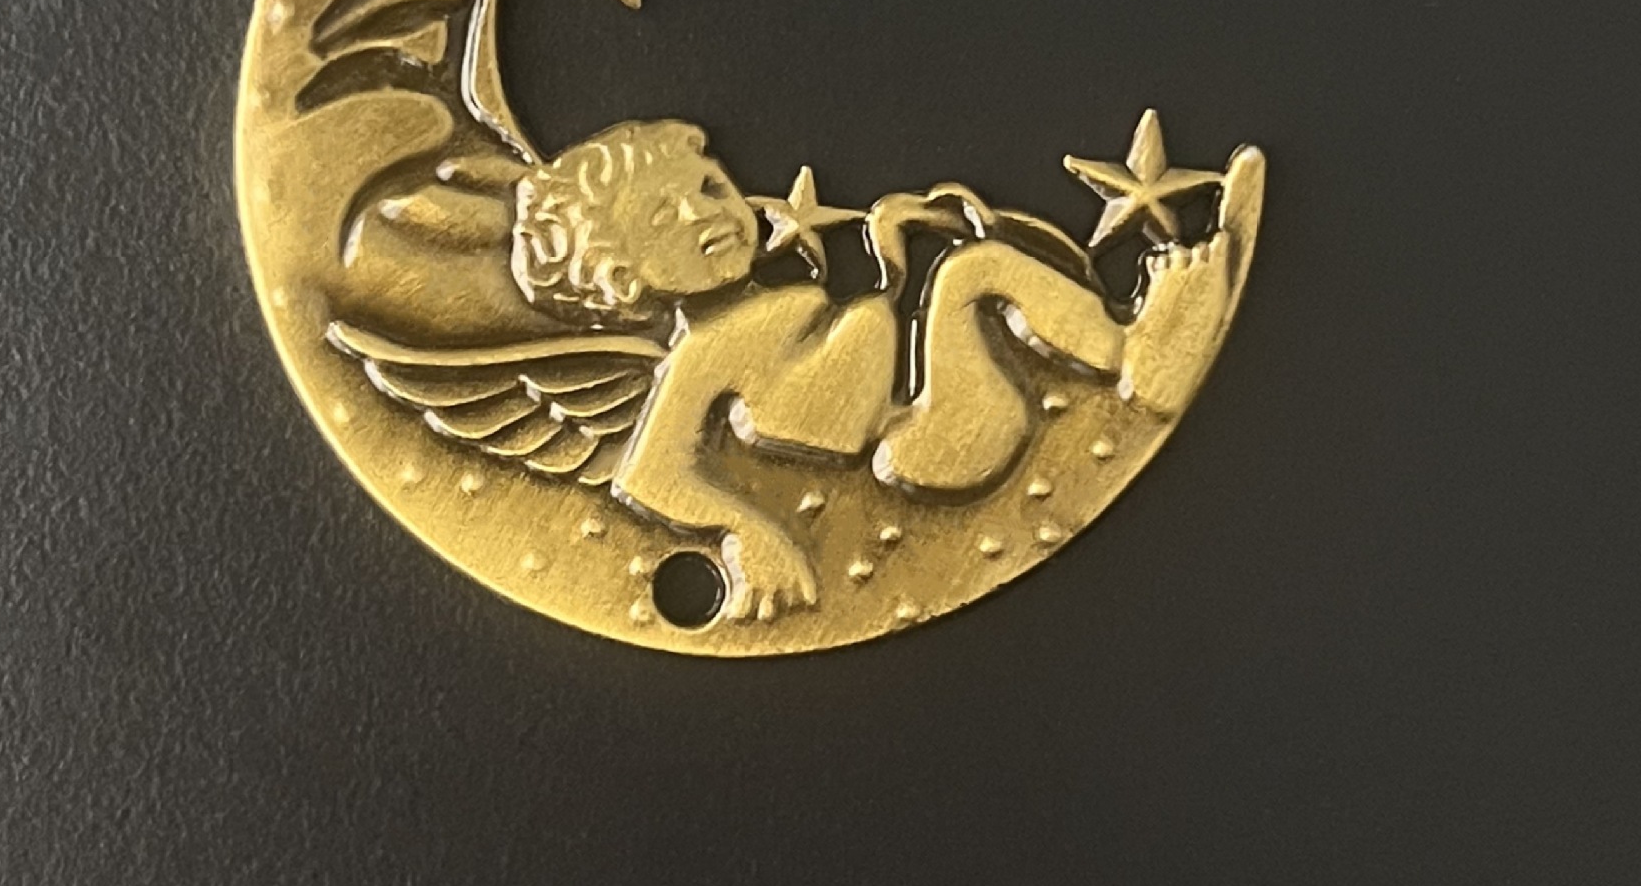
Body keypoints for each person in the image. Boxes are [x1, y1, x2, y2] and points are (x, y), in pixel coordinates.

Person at [342, 117, 1215, 619]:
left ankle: (1137, 350)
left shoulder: (780, 300)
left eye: (708, 189)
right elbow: (648, 473)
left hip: (939, 418)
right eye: (664, 221)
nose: (705, 217)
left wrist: (888, 247)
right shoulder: (705, 351)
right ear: (622, 277)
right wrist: (745, 532)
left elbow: (864, 340)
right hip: (922, 448)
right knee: (975, 276)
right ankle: (1138, 355)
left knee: (968, 273)